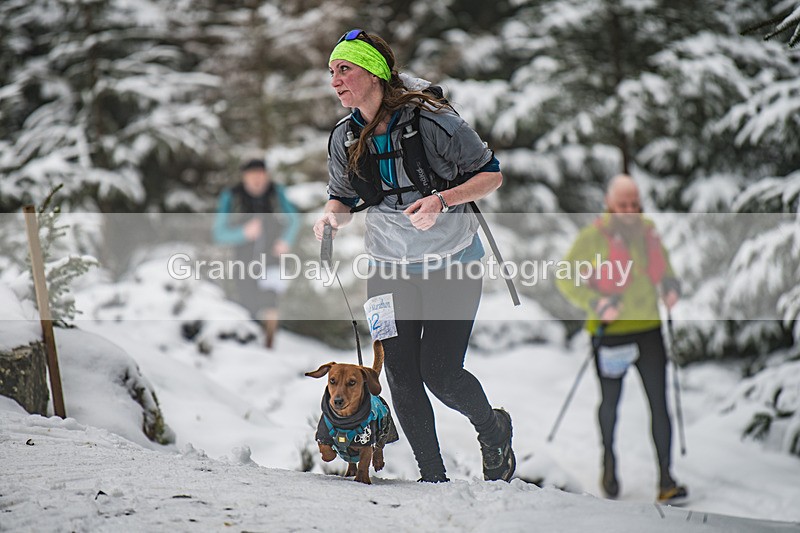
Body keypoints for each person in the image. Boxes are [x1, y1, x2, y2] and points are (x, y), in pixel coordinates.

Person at [312, 29, 515, 483]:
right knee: (400, 375)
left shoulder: (433, 122)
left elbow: (491, 175)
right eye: (331, 71)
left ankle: (493, 430)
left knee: (440, 374)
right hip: (387, 268)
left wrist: (442, 200)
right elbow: (341, 198)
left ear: (374, 74)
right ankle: (432, 477)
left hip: (452, 263)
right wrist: (331, 218)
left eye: (344, 69)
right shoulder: (345, 136)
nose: (335, 80)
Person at [556, 174, 688, 503]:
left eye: (634, 204)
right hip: (610, 334)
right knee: (610, 404)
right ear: (609, 204)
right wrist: (596, 303)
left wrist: (670, 288)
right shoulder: (592, 237)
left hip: (648, 330)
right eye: (622, 204)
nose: (629, 210)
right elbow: (565, 276)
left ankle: (667, 480)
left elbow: (666, 271)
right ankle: (609, 465)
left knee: (659, 404)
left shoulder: (648, 232)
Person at [214, 158, 299, 349]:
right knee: (247, 304)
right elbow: (219, 233)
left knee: (271, 302)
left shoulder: (276, 193)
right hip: (243, 259)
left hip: (273, 256)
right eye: (252, 176)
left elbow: (294, 219)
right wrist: (243, 233)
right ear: (244, 177)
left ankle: (269, 344)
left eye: (261, 175)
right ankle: (248, 345)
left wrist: (286, 240)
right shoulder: (232, 196)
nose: (257, 180)